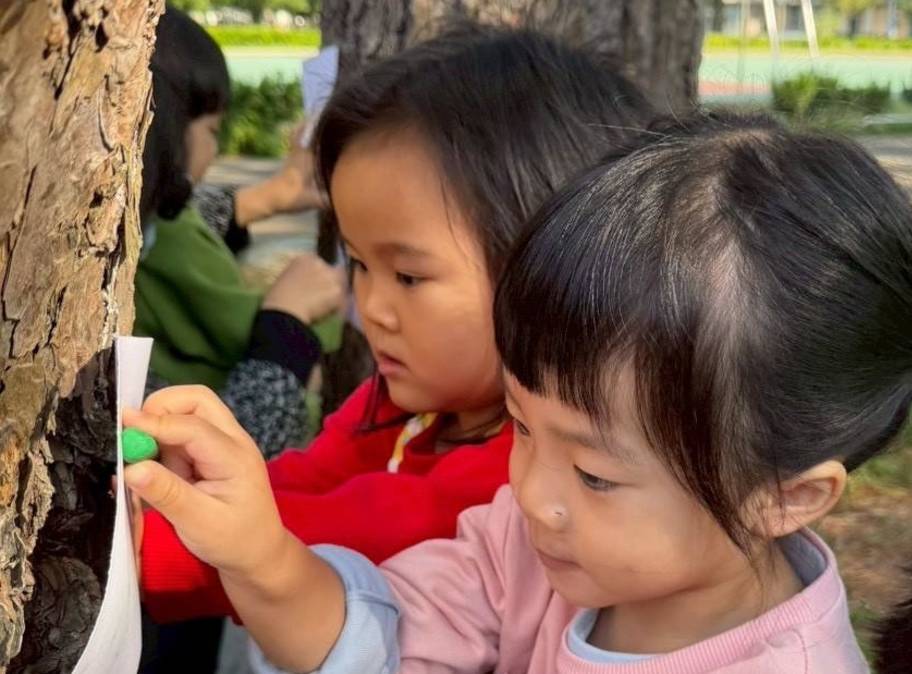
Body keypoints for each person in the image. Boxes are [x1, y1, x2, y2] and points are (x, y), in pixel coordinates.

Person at [124, 112, 912, 674]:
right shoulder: (532, 547)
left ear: (787, 494)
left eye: (598, 474)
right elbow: (378, 638)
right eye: (524, 428)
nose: (532, 491)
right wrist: (260, 556)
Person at [135, 24, 658, 632]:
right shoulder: (401, 405)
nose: (372, 307)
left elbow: (341, 528)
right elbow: (298, 480)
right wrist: (191, 484)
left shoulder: (518, 479)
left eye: (408, 277)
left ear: (552, 272)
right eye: (359, 264)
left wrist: (140, 541)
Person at [136, 6, 344, 457]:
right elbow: (233, 452)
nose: (217, 147)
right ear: (163, 132)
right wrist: (289, 327)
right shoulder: (155, 243)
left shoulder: (138, 236)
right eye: (212, 130)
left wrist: (273, 195)